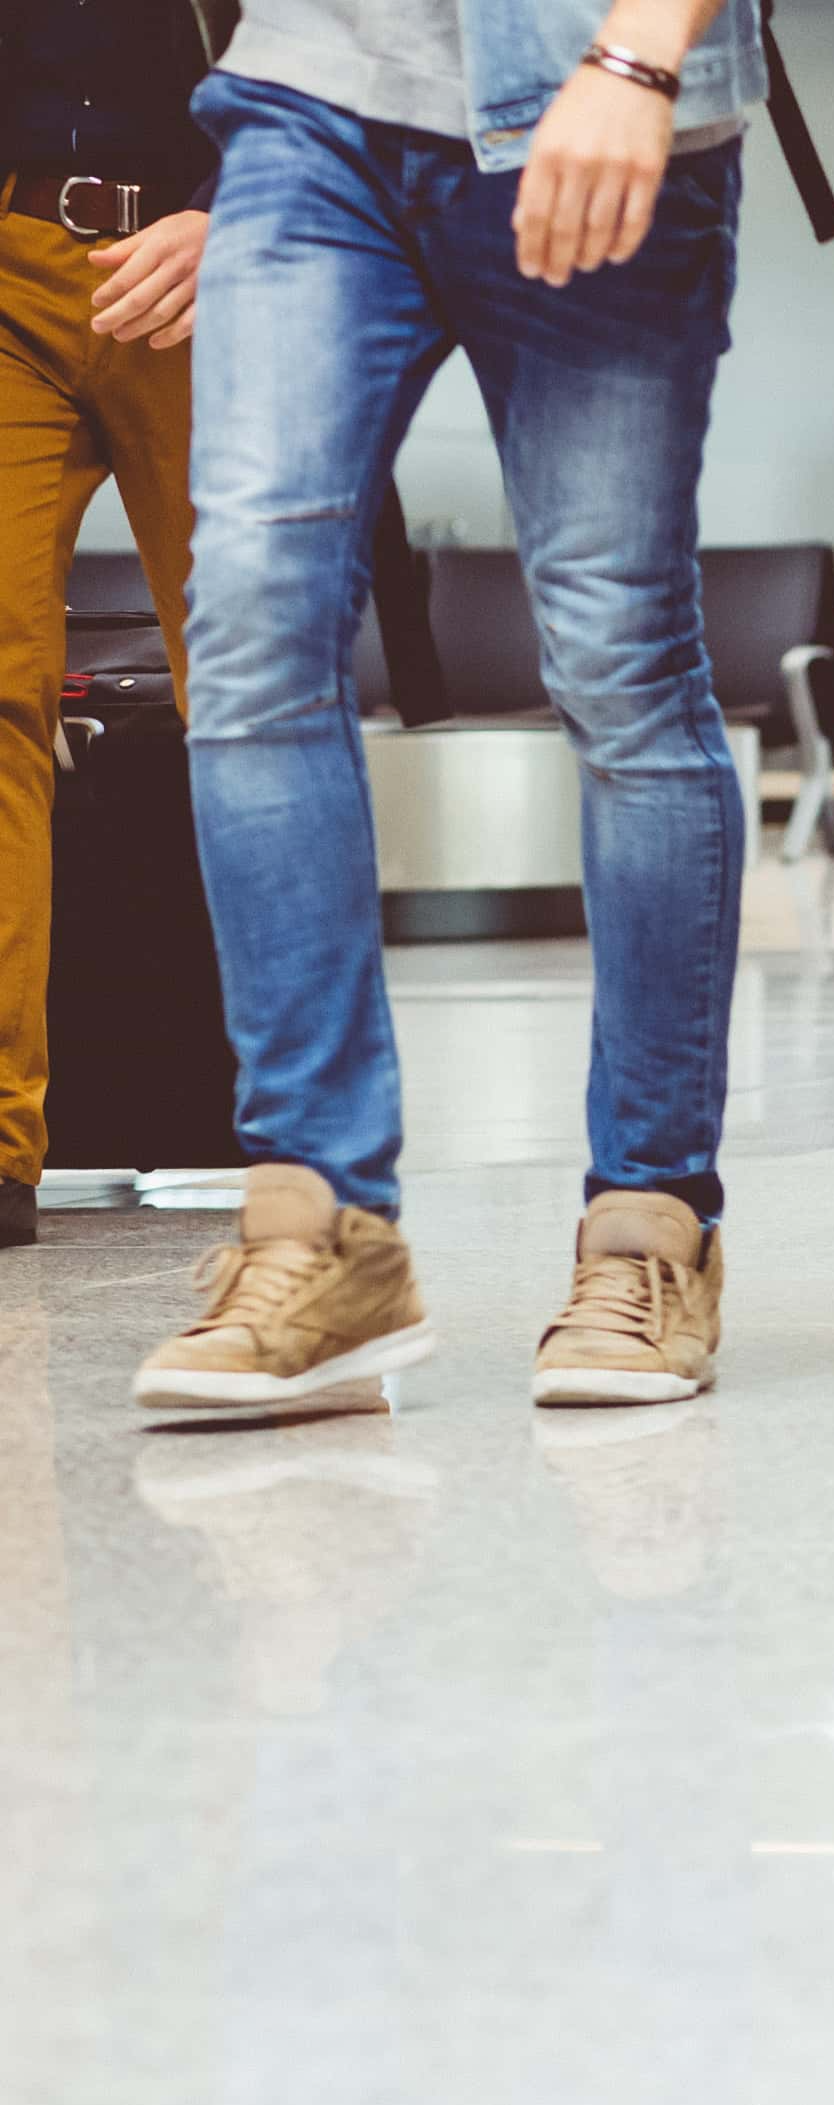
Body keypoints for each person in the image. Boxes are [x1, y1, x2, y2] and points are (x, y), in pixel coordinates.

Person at [129, 0, 768, 1409]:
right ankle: (321, 1227)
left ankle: (650, 1220)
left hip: (592, 86)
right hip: (311, 101)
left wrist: (637, 52)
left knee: (615, 654)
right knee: (247, 619)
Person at [0, 0, 230, 1253]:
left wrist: (251, 204)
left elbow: (337, 44)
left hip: (210, 263)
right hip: (9, 253)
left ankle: (318, 1146)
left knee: (256, 698)